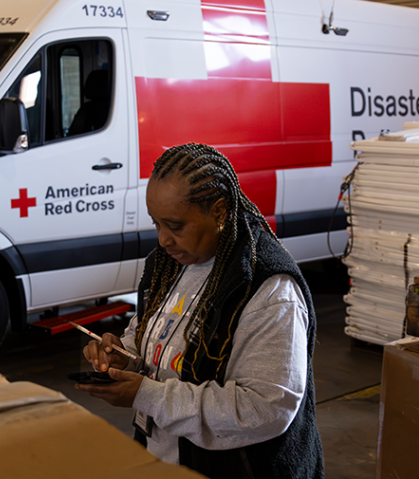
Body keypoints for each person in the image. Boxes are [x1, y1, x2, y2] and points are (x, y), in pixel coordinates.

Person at [76, 143, 323, 479]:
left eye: (175, 226)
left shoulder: (268, 290)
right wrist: (126, 357)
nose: (163, 240)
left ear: (219, 212)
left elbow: (266, 409)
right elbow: (153, 334)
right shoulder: (168, 265)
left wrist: (147, 395)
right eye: (156, 224)